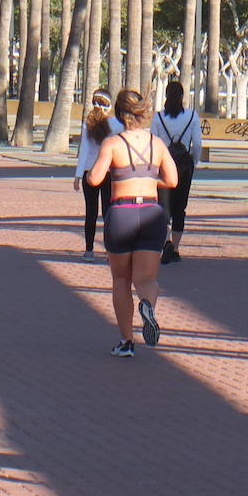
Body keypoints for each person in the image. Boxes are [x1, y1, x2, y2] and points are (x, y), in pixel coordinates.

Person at [87, 89, 179, 358]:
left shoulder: (113, 144)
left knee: (121, 279)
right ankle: (148, 304)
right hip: (151, 211)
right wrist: (150, 180)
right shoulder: (157, 144)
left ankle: (126, 341)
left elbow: (94, 179)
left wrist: (117, 175)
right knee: (146, 279)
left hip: (122, 212)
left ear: (119, 112)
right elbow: (172, 181)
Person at [151, 79, 202, 264]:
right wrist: (193, 161)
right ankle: (177, 247)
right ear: (182, 97)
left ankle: (165, 243)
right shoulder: (192, 116)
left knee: (163, 207)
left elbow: (153, 142)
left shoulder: (158, 117)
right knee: (180, 208)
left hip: (163, 166)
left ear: (166, 96)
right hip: (184, 167)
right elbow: (197, 144)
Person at [73, 88, 122, 262]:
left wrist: (78, 175)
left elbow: (84, 152)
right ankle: (109, 252)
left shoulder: (88, 124)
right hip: (108, 172)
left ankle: (89, 250)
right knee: (108, 212)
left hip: (89, 173)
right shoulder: (117, 124)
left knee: (91, 212)